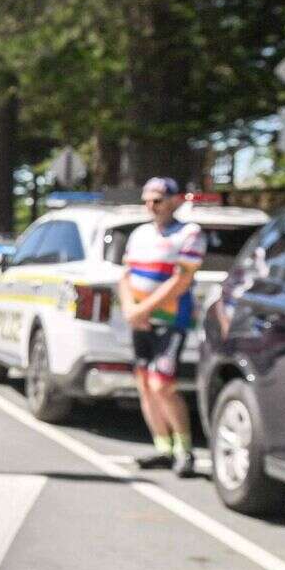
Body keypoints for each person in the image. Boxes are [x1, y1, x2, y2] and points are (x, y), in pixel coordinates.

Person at [119, 177, 206, 478]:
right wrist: (131, 309)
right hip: (141, 321)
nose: (151, 206)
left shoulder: (189, 233)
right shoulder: (140, 234)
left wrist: (143, 309)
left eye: (157, 200)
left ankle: (185, 449)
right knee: (144, 383)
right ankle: (163, 446)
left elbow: (180, 280)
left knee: (162, 384)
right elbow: (126, 275)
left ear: (174, 200)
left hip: (172, 321)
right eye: (147, 200)